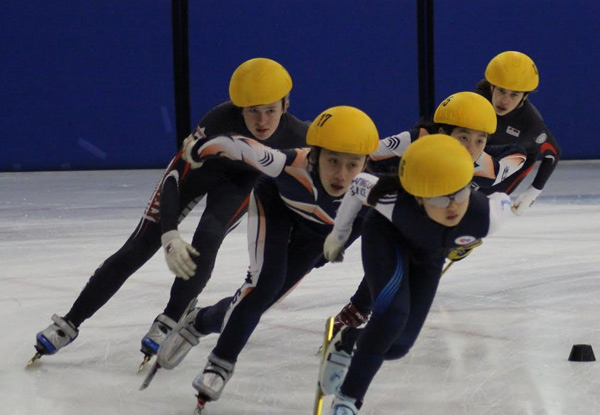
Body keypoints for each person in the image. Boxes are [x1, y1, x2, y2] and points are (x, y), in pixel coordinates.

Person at [30, 58, 308, 366]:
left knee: (208, 238)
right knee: (139, 246)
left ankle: (171, 318)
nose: (262, 120)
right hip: (197, 174)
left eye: (270, 109)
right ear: (238, 108)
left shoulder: (298, 136)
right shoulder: (217, 122)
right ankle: (71, 321)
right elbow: (176, 175)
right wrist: (169, 233)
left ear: (286, 104)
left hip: (240, 184)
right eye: (252, 110)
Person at [152, 105, 380, 412]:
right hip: (275, 207)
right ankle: (221, 363)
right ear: (315, 155)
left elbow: (383, 224)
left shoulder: (375, 192)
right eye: (332, 160)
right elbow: (239, 146)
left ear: (367, 163)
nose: (341, 174)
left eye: (353, 164)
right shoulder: (288, 164)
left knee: (259, 302)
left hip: (318, 233)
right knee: (264, 284)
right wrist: (201, 148)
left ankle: (199, 321)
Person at [318, 134, 512, 414]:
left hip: (430, 255)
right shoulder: (393, 200)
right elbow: (359, 185)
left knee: (397, 346)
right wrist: (338, 236)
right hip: (386, 239)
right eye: (440, 198)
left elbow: (506, 200)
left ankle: (347, 340)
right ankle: (348, 401)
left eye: (459, 192)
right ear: (419, 198)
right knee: (392, 316)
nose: (454, 206)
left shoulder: (487, 216)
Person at [330, 91, 526, 337]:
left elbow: (520, 154)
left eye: (479, 141)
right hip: (374, 195)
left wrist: (468, 229)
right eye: (462, 137)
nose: (470, 149)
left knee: (409, 252)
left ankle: (358, 312)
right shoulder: (415, 140)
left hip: (413, 212)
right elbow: (362, 155)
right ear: (442, 134)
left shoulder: (486, 167)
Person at [476, 51, 561, 214]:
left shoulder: (530, 123)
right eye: (501, 91)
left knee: (481, 205)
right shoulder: (474, 101)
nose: (505, 100)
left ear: (524, 97)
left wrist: (533, 191)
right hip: (484, 150)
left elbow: (553, 153)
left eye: (514, 94)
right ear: (491, 87)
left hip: (513, 159)